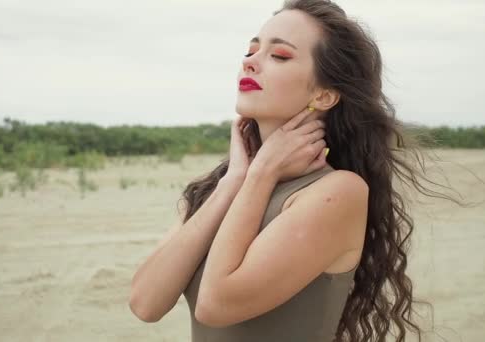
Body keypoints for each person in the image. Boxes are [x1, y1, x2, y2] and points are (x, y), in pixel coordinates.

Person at [130, 0, 463, 341]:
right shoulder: (219, 187)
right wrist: (235, 182)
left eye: (279, 56)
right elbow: (146, 303)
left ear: (324, 95)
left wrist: (260, 176)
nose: (250, 62)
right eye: (251, 50)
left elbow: (215, 305)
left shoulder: (338, 192)